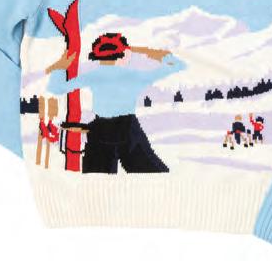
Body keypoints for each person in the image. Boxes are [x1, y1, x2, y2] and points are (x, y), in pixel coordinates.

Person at [44, 32, 186, 174]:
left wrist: (60, 67)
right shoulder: (134, 76)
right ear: (123, 54)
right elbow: (178, 65)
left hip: (100, 131)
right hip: (127, 130)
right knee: (155, 176)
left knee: (95, 179)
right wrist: (146, 51)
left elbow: (56, 88)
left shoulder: (94, 76)